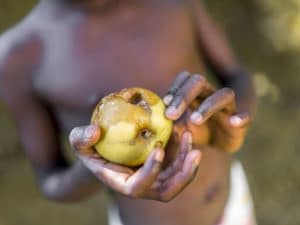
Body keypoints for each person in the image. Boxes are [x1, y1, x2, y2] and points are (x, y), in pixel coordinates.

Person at [0, 0, 256, 225]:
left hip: (233, 205)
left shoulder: (175, 3)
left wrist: (233, 122)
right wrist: (92, 169)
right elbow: (50, 179)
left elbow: (237, 76)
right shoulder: (19, 56)